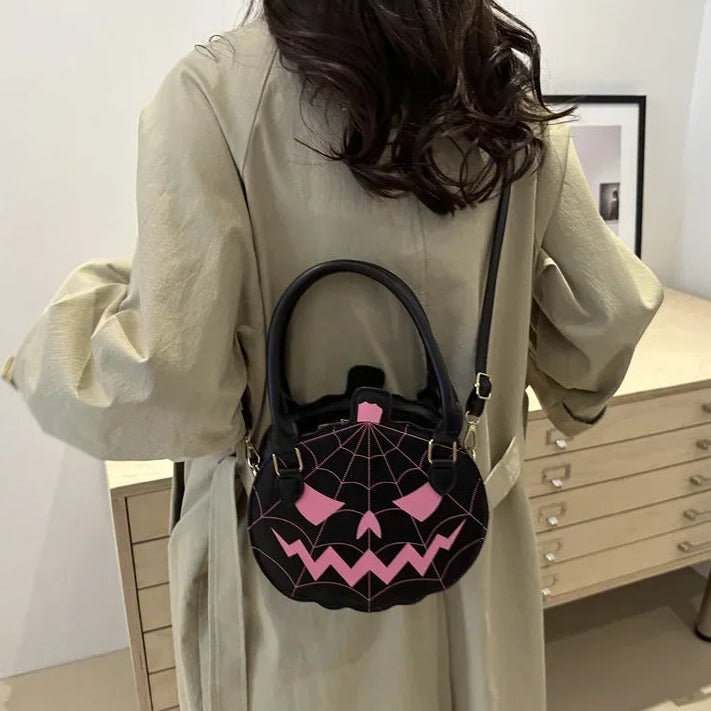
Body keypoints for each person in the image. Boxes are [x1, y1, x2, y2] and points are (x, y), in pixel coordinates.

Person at [3, 3, 663, 710]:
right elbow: (607, 317)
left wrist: (74, 319)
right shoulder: (500, 98)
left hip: (293, 572)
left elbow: (164, 383)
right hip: (465, 544)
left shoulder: (211, 95)